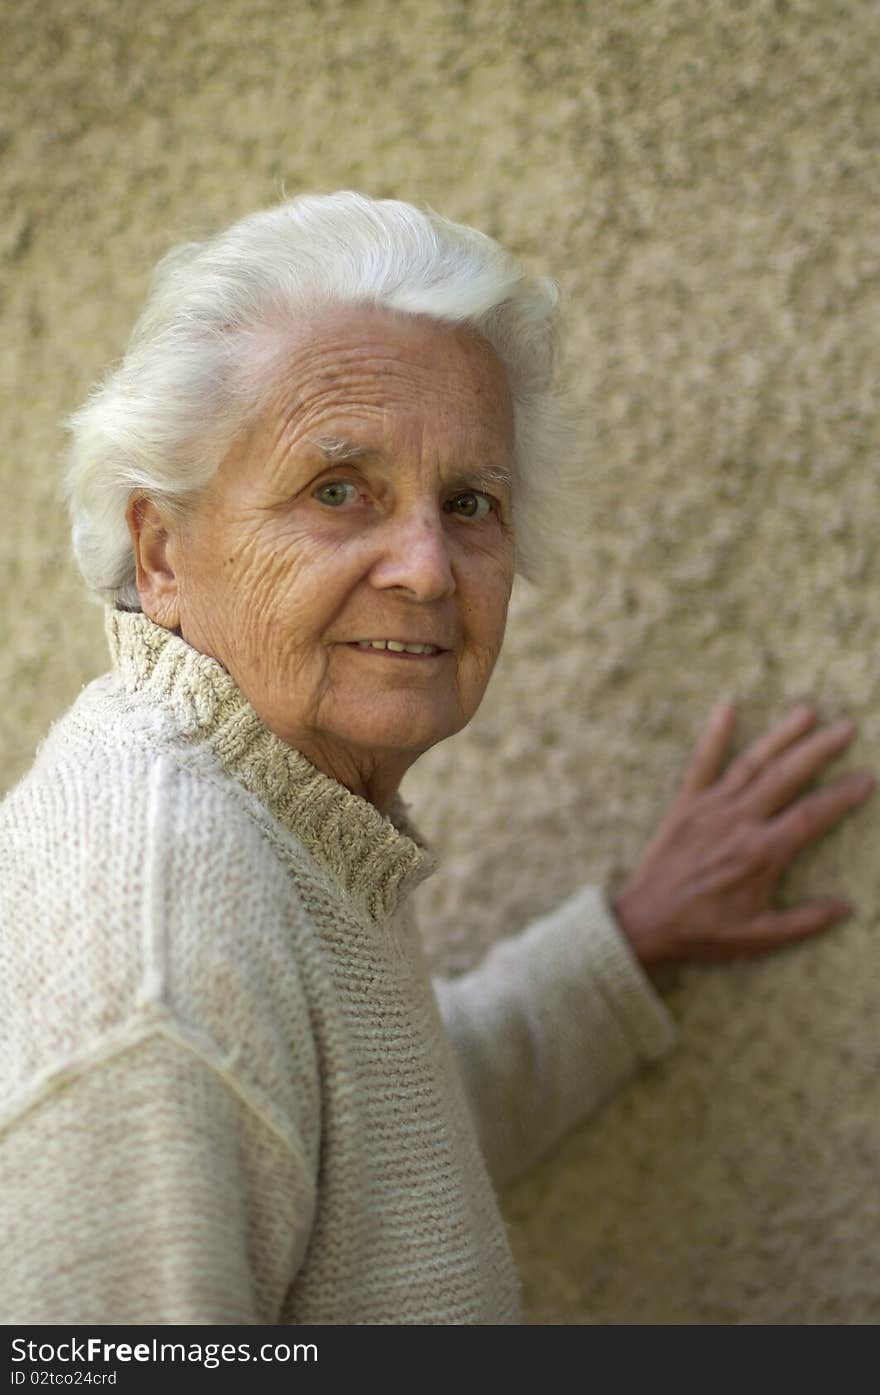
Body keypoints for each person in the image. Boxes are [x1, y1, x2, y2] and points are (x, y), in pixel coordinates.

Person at [0, 193, 871, 1325]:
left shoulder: (267, 821)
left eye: (470, 503)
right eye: (336, 489)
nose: (424, 567)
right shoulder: (163, 945)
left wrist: (630, 941)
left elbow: (374, 1140)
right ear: (161, 551)